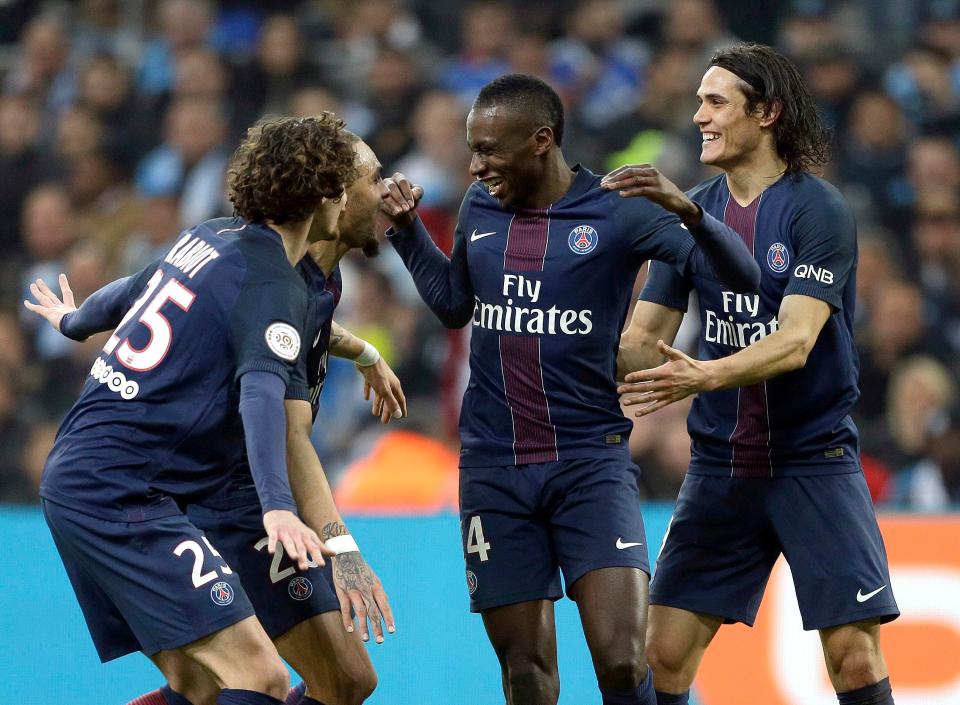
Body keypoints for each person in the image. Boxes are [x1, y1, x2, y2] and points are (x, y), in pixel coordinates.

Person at [379, 73, 760, 705]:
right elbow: (453, 305)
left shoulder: (619, 210)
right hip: (494, 471)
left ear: (541, 141)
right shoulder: (480, 207)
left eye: (489, 150)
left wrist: (690, 212)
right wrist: (407, 231)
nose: (475, 165)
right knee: (527, 677)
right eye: (473, 149)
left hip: (589, 463)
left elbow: (741, 278)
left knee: (620, 661)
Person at [26, 133, 403, 705]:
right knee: (260, 678)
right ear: (327, 196)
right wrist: (279, 509)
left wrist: (74, 320)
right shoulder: (276, 283)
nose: (381, 192)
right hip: (124, 490)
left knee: (225, 685)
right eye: (366, 180)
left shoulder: (213, 237)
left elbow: (134, 289)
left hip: (100, 476)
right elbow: (261, 396)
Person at [614, 44, 899, 705]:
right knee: (663, 654)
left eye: (716, 102)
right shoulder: (688, 212)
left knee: (854, 658)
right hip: (722, 467)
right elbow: (641, 341)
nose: (699, 117)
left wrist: (705, 376)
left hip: (813, 460)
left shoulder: (817, 210)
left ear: (766, 111)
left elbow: (796, 339)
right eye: (698, 102)